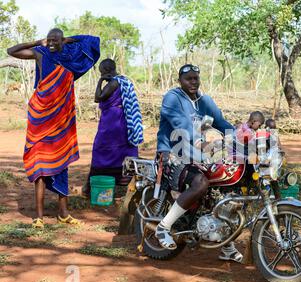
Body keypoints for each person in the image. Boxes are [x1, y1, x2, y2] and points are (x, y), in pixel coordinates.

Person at [7, 28, 100, 228]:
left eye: (55, 39)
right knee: (40, 167)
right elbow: (11, 50)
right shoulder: (41, 53)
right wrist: (36, 41)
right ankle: (39, 216)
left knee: (61, 163)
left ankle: (63, 213)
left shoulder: (71, 57)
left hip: (61, 121)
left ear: (62, 40)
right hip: (40, 119)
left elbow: (93, 41)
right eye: (49, 39)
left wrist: (68, 40)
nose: (51, 42)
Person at [155, 64, 243, 263]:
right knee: (201, 183)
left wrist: (241, 137)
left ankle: (226, 245)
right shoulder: (172, 97)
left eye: (196, 78)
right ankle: (163, 227)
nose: (193, 82)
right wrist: (199, 140)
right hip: (173, 154)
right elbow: (181, 124)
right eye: (189, 79)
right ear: (180, 81)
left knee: (223, 187)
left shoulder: (205, 101)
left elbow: (222, 123)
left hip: (199, 156)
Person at [83, 59, 143, 195]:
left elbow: (98, 97)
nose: (101, 74)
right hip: (123, 119)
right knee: (123, 149)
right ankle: (125, 186)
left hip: (112, 120)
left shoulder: (114, 82)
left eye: (101, 72)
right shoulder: (124, 81)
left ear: (106, 71)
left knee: (101, 149)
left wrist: (100, 81)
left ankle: (92, 185)